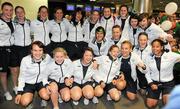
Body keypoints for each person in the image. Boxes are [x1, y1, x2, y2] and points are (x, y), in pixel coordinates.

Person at [15, 41, 52, 108]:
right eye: (35, 50)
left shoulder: (47, 57)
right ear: (31, 51)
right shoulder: (25, 60)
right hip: (28, 83)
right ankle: (29, 100)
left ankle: (42, 97)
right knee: (24, 102)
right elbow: (21, 77)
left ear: (43, 51)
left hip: (41, 82)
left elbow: (54, 63)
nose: (38, 53)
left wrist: (46, 84)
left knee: (46, 96)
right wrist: (19, 92)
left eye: (40, 50)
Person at [145, 39, 180, 108]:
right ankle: (159, 94)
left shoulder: (170, 55)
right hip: (155, 83)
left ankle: (164, 94)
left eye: (157, 46)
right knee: (150, 105)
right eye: (153, 46)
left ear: (161, 47)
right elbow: (147, 72)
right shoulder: (148, 57)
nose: (155, 48)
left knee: (168, 103)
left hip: (168, 83)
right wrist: (151, 83)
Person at [12, 6, 31, 94]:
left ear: (24, 13)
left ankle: (25, 85)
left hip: (27, 48)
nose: (20, 14)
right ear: (15, 13)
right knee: (16, 69)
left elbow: (32, 34)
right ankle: (16, 86)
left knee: (26, 68)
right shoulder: (13, 23)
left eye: (21, 12)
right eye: (18, 12)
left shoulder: (29, 22)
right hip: (16, 48)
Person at [0, 2, 17, 100]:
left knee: (14, 70)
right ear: (2, 10)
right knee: (4, 73)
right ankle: (6, 92)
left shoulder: (12, 21)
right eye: (6, 10)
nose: (9, 12)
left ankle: (15, 87)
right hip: (2, 50)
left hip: (12, 48)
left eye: (11, 10)